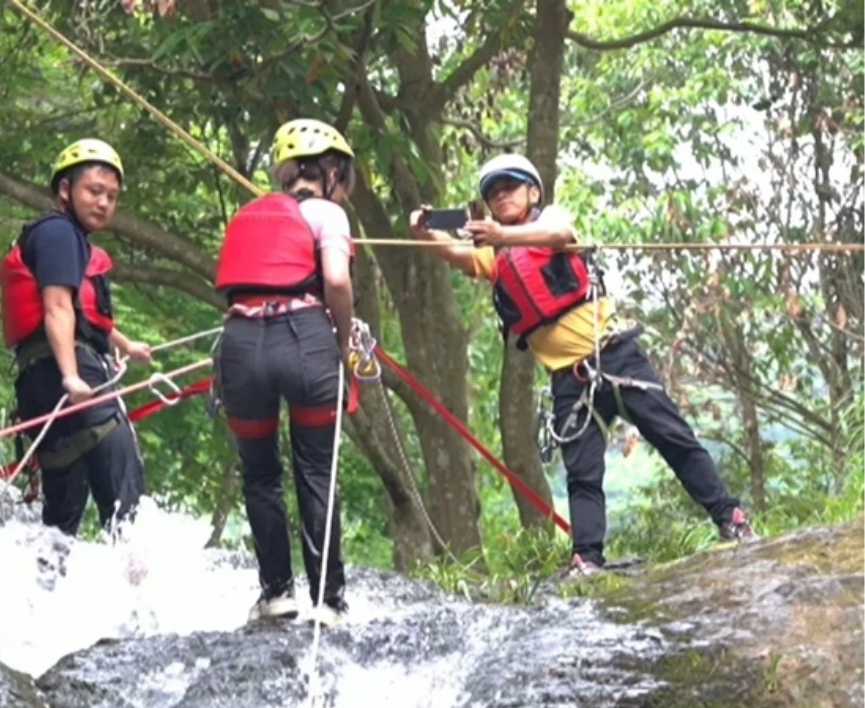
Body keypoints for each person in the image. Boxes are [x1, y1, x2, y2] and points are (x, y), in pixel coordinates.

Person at [410, 153, 758, 575]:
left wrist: (501, 232)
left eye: (510, 188)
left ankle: (731, 519)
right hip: (569, 381)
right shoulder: (496, 254)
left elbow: (559, 232)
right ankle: (587, 558)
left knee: (673, 437)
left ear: (532, 192)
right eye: (493, 192)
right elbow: (461, 257)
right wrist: (426, 234)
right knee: (582, 473)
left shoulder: (550, 219)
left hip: (614, 354)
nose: (501, 196)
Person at [214, 118, 356, 626]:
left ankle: (276, 592)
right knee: (316, 470)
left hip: (241, 346)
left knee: (260, 474)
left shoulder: (248, 215)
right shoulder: (329, 213)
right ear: (333, 171)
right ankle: (329, 601)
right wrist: (343, 343)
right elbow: (335, 281)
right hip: (306, 340)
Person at [0, 138, 152, 537]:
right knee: (125, 494)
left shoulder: (55, 237)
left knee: (61, 519)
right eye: (94, 191)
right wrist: (71, 374)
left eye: (112, 197)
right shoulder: (59, 234)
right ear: (65, 190)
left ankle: (45, 591)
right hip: (67, 372)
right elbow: (57, 308)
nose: (103, 203)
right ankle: (139, 587)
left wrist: (124, 345)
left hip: (37, 382)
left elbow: (82, 312)